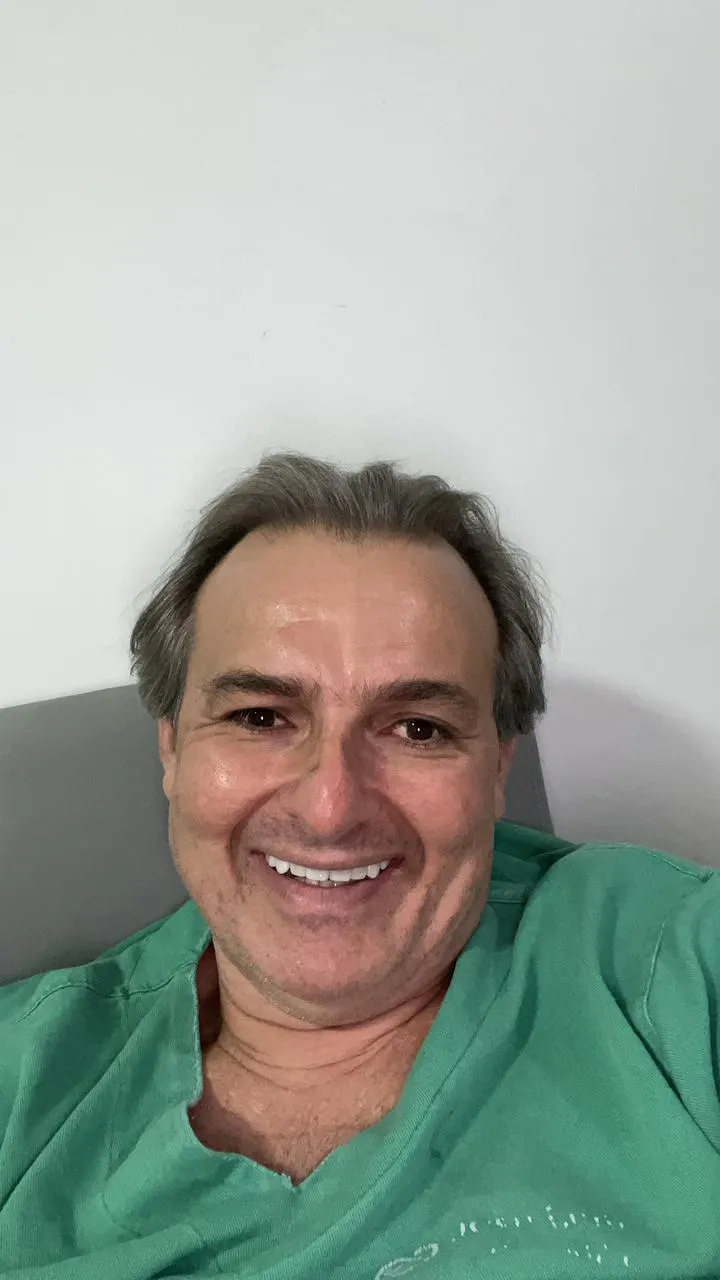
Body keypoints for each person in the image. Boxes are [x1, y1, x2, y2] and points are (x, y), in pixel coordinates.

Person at [1, 451, 719, 1280]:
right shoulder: (25, 1082)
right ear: (172, 749)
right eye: (261, 716)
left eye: (418, 728)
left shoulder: (664, 967)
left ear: (497, 767)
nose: (330, 808)